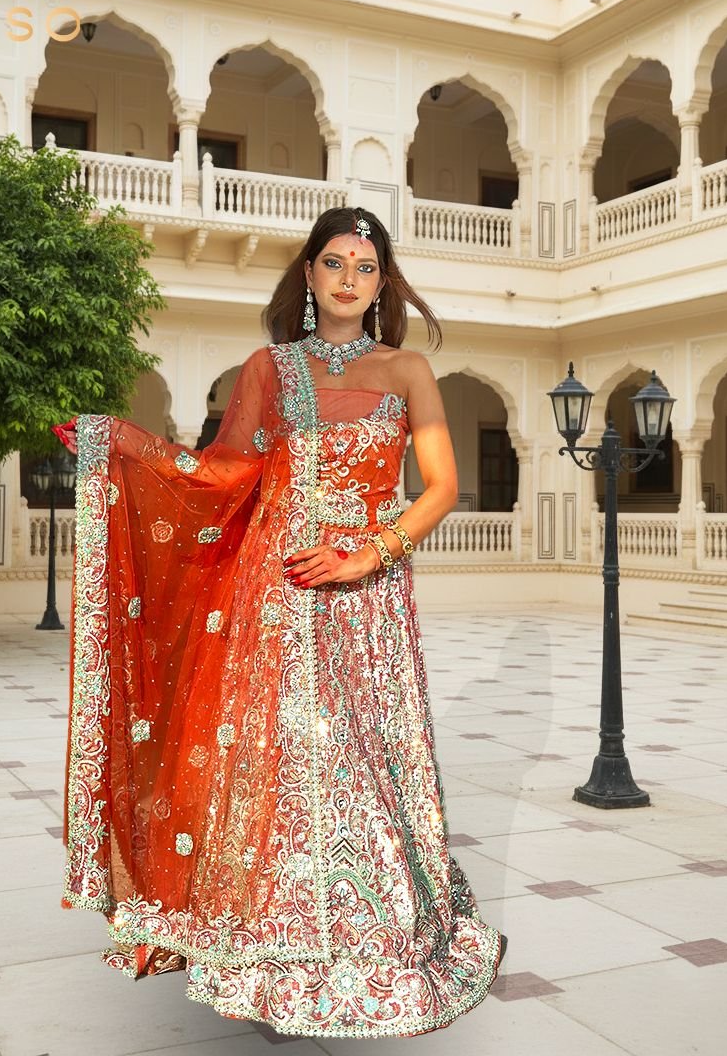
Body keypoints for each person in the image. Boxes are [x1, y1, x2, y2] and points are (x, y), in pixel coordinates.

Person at [55, 206, 506, 1039]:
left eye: (364, 268)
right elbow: (222, 473)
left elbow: (439, 486)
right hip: (281, 596)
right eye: (333, 262)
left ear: (381, 284)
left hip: (367, 601)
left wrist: (370, 553)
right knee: (284, 765)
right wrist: (122, 447)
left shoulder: (408, 370)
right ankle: (275, 942)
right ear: (307, 275)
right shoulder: (270, 368)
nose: (347, 278)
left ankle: (382, 945)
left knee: (365, 766)